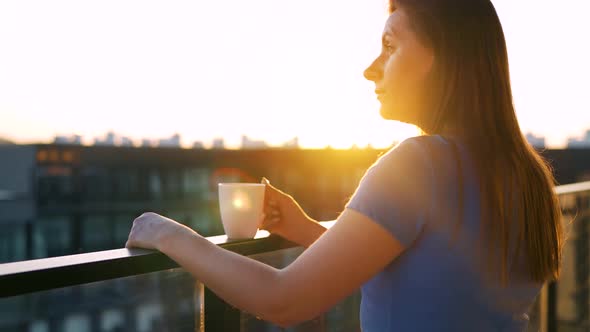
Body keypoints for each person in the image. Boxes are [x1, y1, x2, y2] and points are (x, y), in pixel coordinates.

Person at [126, 0, 564, 330]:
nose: (371, 70)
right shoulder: (526, 175)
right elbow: (434, 275)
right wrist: (305, 229)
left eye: (390, 47)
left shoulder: (420, 164)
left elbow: (285, 301)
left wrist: (166, 232)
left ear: (446, 59)